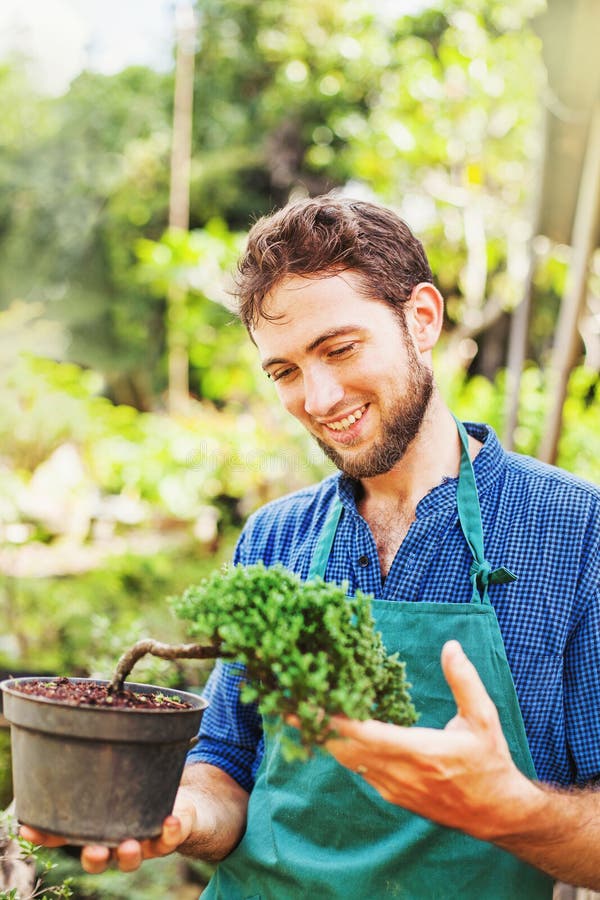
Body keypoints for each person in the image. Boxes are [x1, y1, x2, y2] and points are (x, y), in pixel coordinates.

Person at [22, 196, 600, 896]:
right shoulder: (275, 536)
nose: (319, 398)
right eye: (285, 372)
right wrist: (177, 814)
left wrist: (514, 812)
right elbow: (228, 760)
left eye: (340, 348)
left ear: (421, 319)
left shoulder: (575, 533)